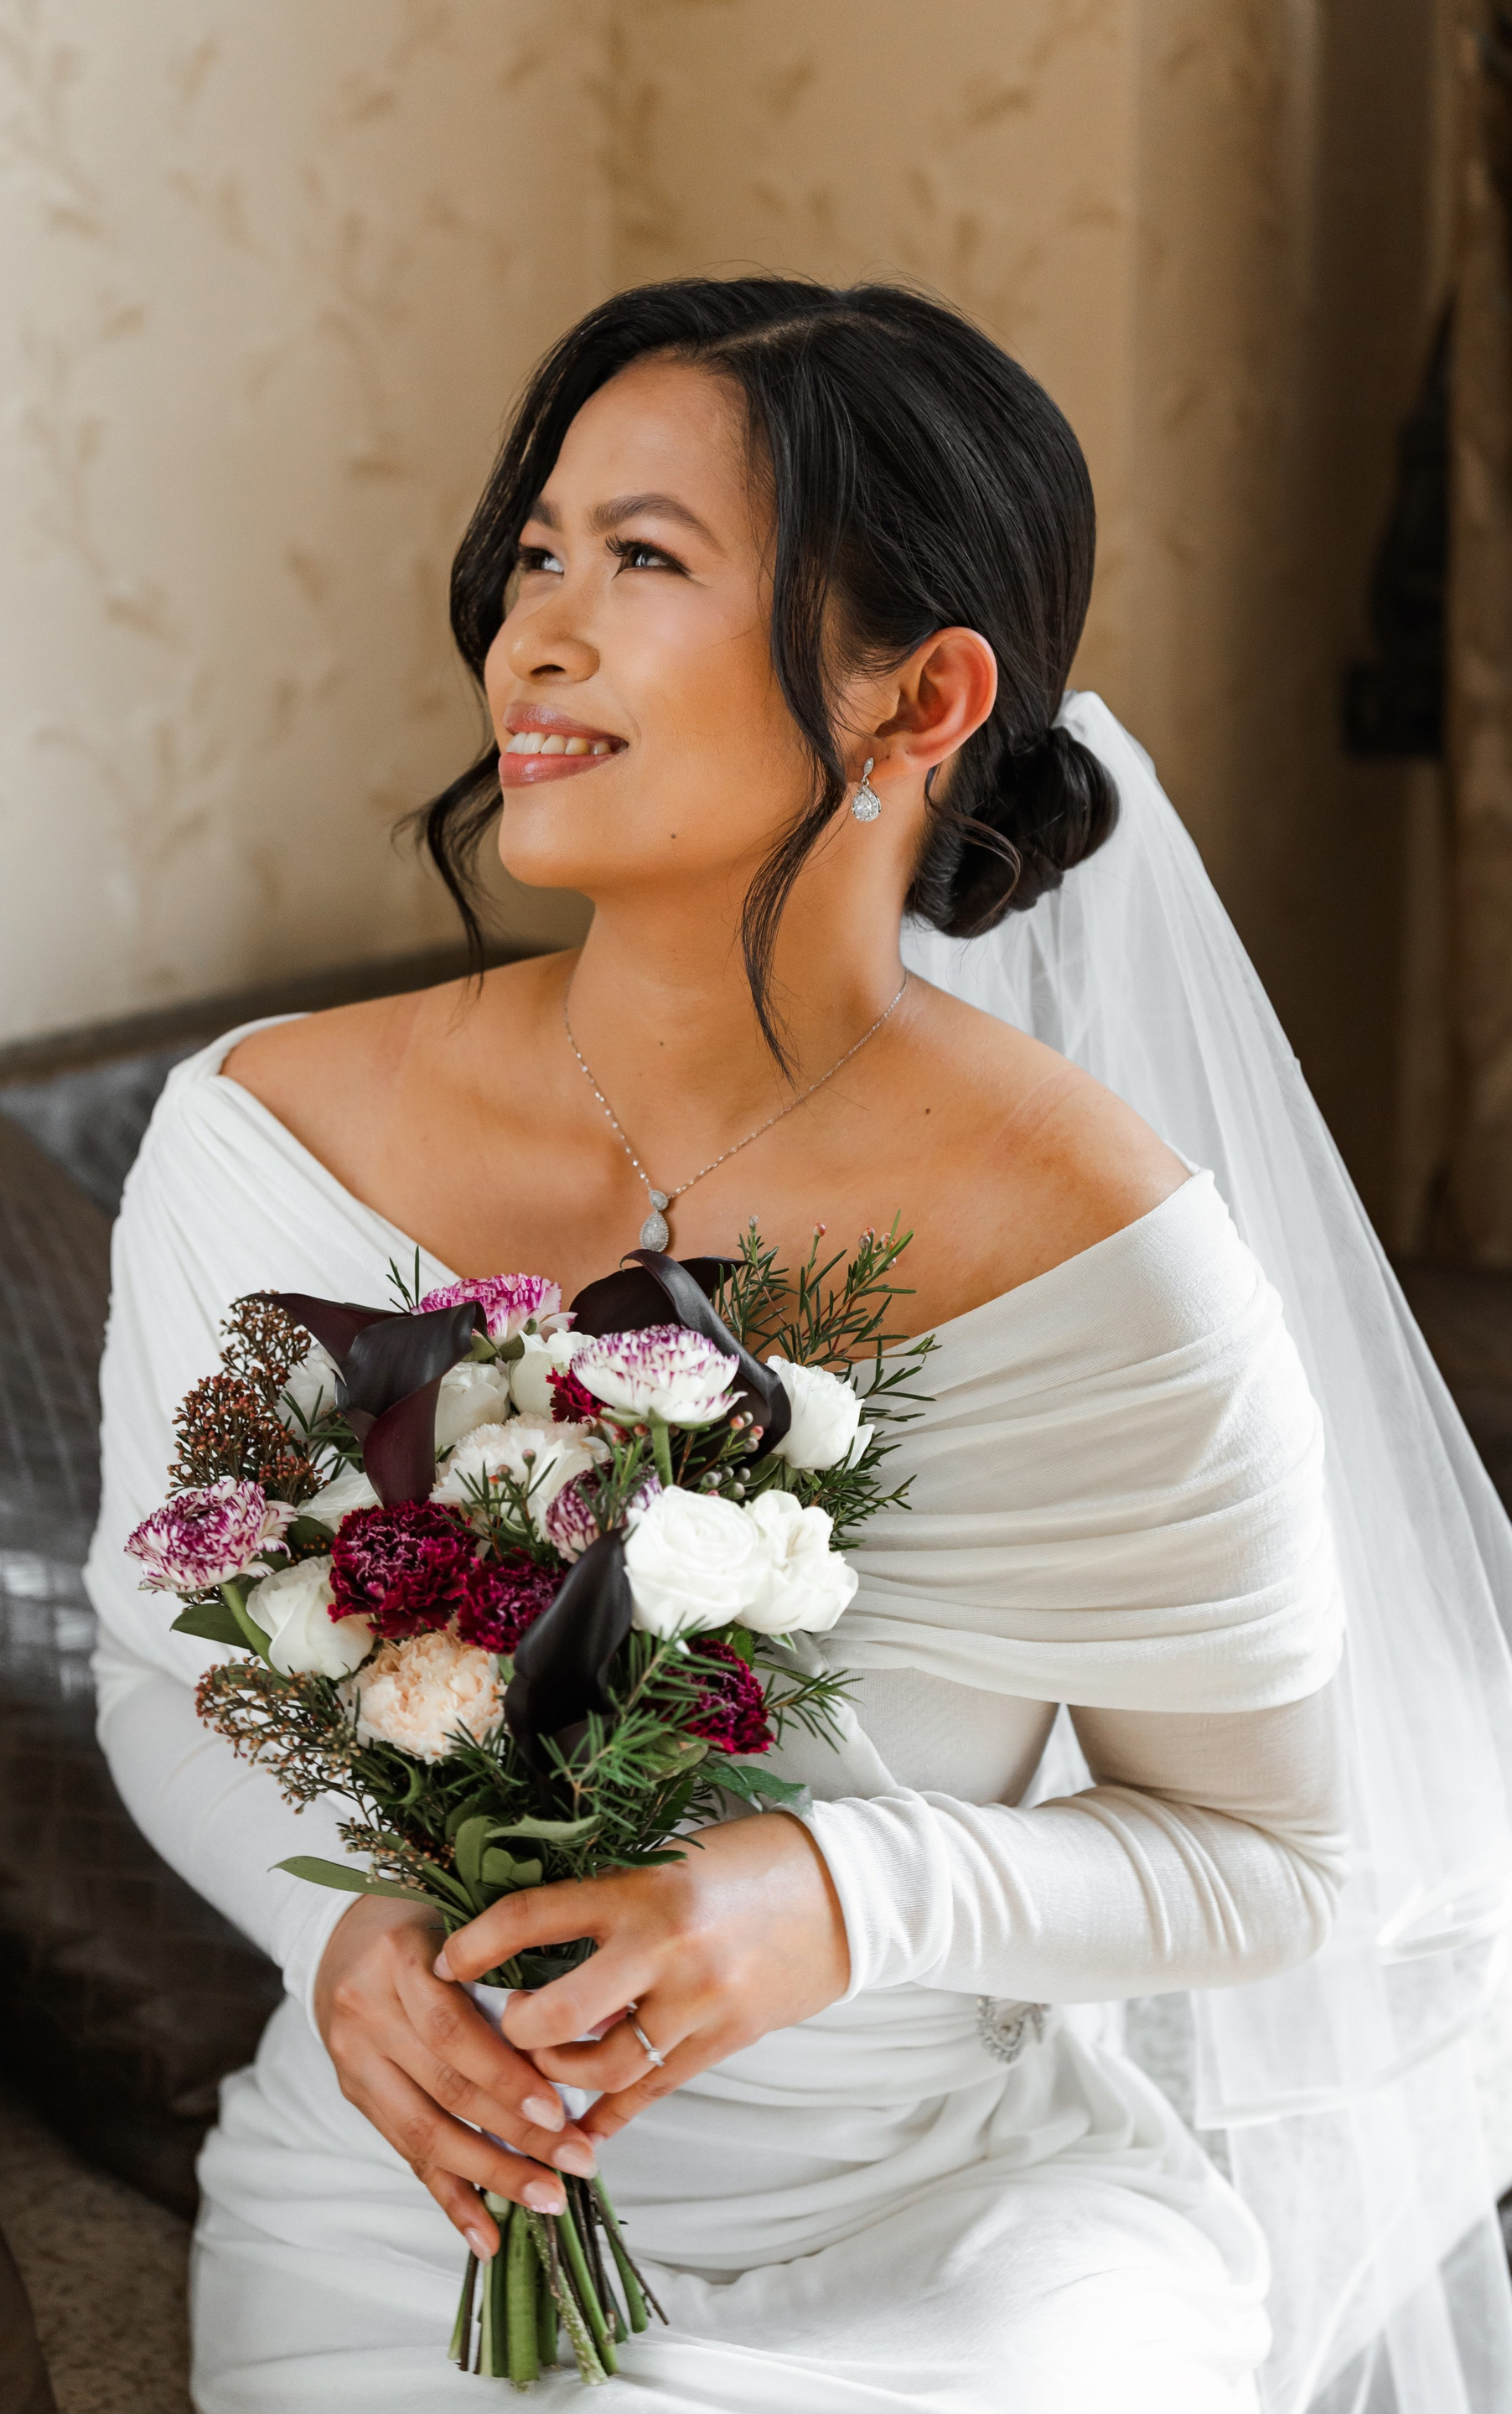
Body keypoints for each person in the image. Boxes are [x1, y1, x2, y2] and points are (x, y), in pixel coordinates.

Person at [85, 280, 1512, 2413]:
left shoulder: (1104, 1252)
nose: (535, 635)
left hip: (946, 2222)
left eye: (643, 559)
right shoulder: (260, 1137)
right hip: (410, 2217)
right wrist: (343, 1940)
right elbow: (160, 1660)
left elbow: (1274, 1866)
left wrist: (848, 1890)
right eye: (536, 554)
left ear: (919, 695)